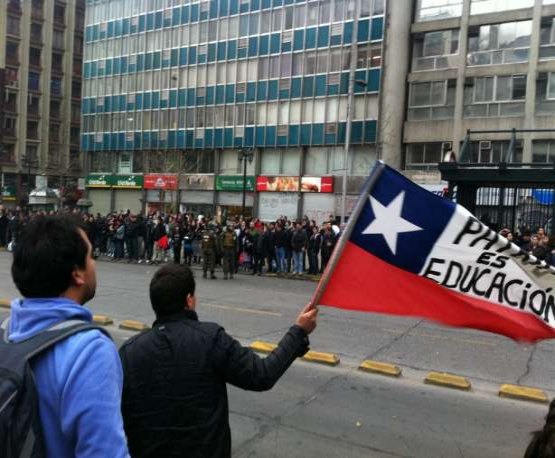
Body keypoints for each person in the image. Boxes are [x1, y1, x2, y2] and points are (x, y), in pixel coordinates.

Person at [119, 264, 317, 458]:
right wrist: (298, 332)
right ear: (189, 300)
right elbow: (261, 374)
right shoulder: (210, 338)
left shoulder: (129, 352)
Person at [6, 215, 129, 457]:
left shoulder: (5, 330)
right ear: (77, 274)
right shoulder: (89, 350)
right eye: (91, 256)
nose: (94, 264)